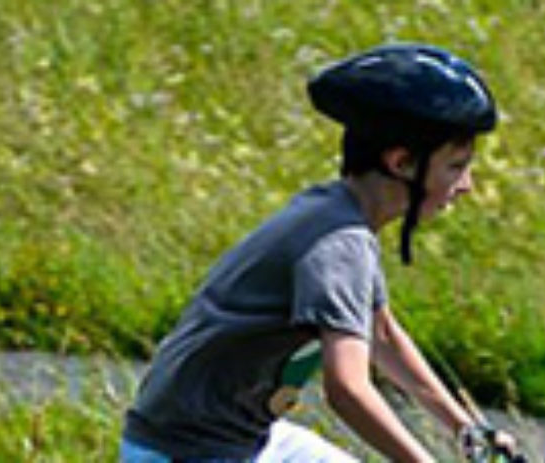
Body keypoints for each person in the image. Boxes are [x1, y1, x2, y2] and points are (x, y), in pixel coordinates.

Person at [120, 43, 522, 462]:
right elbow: (347, 390)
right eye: (456, 166)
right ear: (402, 162)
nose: (467, 184)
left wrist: (467, 429)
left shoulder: (338, 214)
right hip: (188, 453)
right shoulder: (340, 244)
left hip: (235, 439)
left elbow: (380, 335)